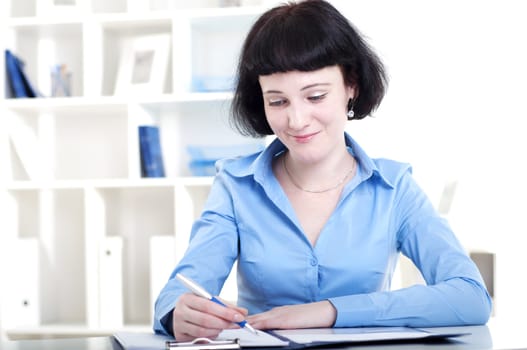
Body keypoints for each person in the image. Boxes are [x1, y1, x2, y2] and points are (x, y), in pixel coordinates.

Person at [154, 0, 492, 340]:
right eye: (277, 101)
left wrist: (330, 312)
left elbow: (470, 297)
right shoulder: (235, 186)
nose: (297, 120)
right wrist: (179, 314)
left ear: (351, 86)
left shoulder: (395, 188)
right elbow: (174, 296)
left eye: (315, 96)